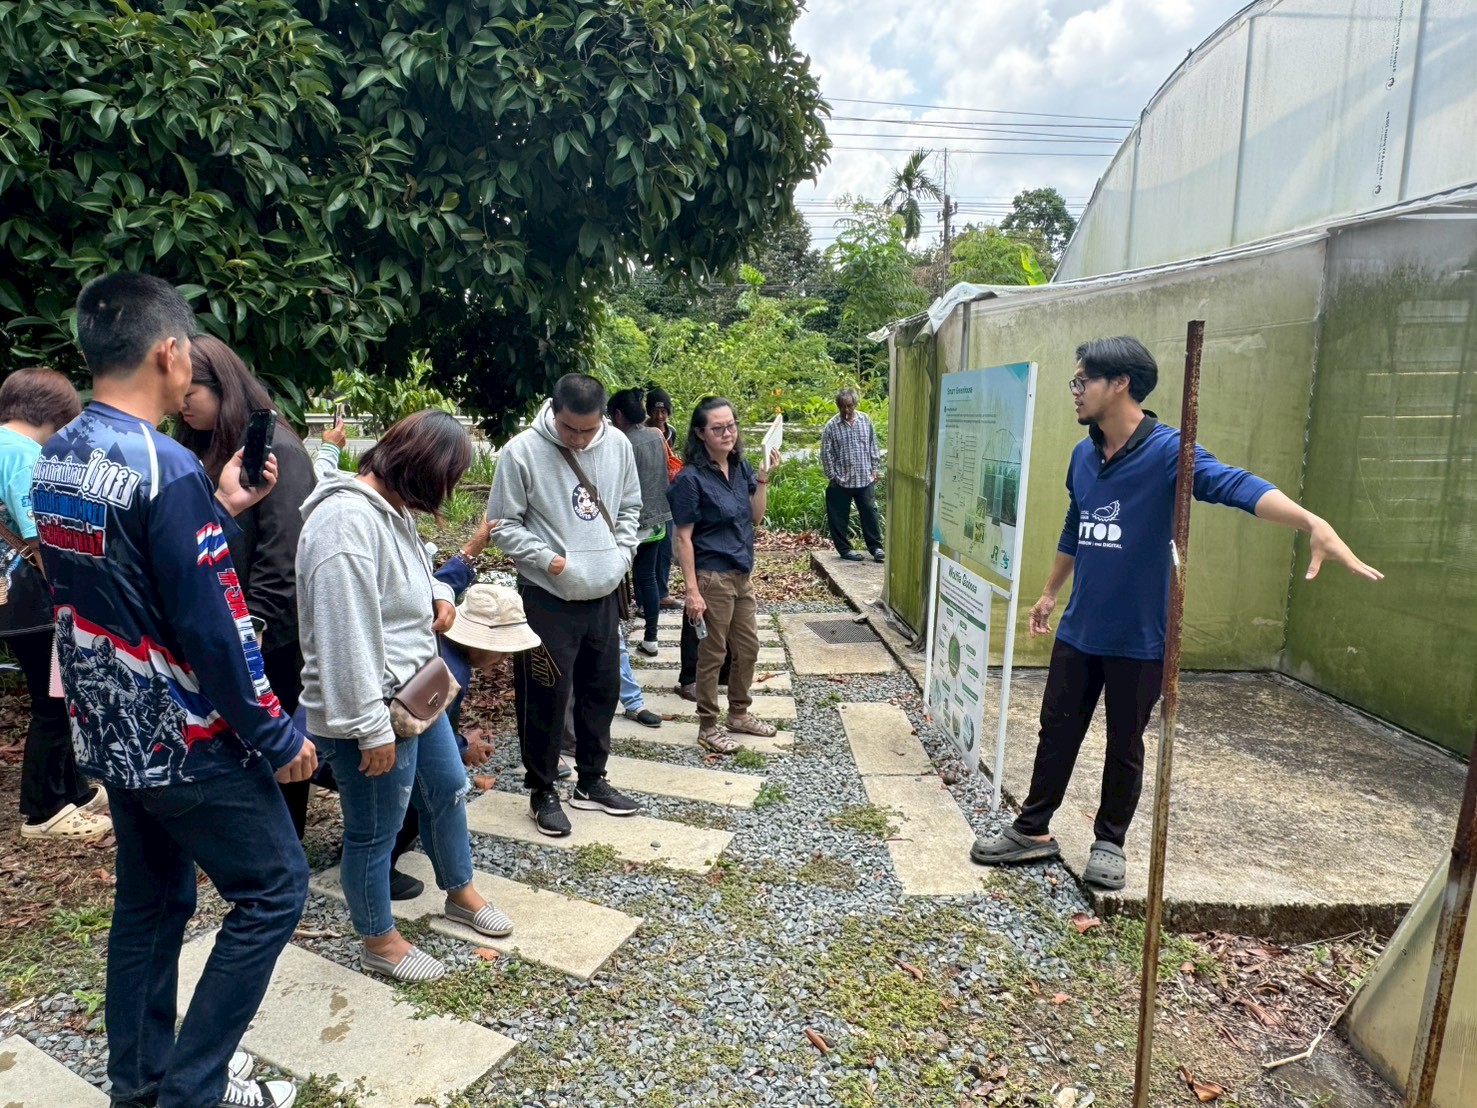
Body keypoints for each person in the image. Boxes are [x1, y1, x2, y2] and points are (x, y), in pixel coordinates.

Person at [969, 337, 1382, 890]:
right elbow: (1077, 524)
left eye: (1082, 381)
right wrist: (1049, 592)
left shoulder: (1170, 452)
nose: (1075, 392)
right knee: (1056, 731)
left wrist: (1311, 522)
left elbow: (1235, 484)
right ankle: (1033, 830)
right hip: (1081, 628)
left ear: (1120, 384)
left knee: (1125, 740)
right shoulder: (1082, 454)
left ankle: (1109, 842)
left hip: (1141, 637)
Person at [41, 273, 312, 1108]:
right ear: (168, 350)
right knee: (275, 891)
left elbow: (136, 581)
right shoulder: (162, 466)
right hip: (185, 740)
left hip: (110, 729)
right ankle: (192, 1091)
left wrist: (225, 507)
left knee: (152, 905)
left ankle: (141, 1085)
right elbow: (215, 626)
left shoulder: (60, 453)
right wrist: (275, 734)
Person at [298, 410, 514, 982]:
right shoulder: (344, 523)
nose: (441, 496)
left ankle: (459, 891)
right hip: (373, 710)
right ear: (420, 470)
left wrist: (440, 592)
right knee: (374, 831)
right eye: (444, 481)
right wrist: (369, 729)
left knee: (446, 789)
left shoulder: (390, 512)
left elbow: (413, 578)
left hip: (418, 697)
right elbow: (342, 636)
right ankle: (379, 939)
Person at [487, 373, 643, 836]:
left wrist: (623, 553)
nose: (579, 439)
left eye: (588, 430)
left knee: (602, 689)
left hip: (603, 593)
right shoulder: (521, 451)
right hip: (548, 597)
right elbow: (502, 525)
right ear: (553, 410)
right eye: (570, 429)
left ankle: (592, 780)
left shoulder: (618, 446)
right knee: (546, 696)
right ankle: (542, 788)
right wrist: (549, 561)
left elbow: (632, 506)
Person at [175, 336, 317, 838]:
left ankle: (283, 850)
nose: (181, 403)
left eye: (191, 391)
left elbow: (284, 551)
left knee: (277, 746)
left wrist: (254, 623)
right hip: (222, 626)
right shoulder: (203, 444)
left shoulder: (277, 449)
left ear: (224, 387)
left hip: (268, 634)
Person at [0, 368, 111, 841]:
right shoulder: (26, 456)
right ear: (57, 417)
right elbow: (40, 537)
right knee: (55, 701)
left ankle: (74, 791)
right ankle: (45, 810)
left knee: (59, 696)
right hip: (32, 600)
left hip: (9, 601)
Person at [669, 397, 782, 753]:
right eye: (717, 428)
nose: (727, 433)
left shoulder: (740, 467)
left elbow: (755, 517)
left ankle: (739, 714)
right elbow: (682, 537)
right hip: (711, 577)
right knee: (713, 654)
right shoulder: (691, 479)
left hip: (741, 573)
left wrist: (762, 479)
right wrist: (692, 590)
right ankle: (707, 725)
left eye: (731, 425)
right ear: (701, 433)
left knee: (747, 648)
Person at [608, 388, 672, 656]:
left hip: (633, 523)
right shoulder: (656, 436)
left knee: (616, 578)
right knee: (648, 578)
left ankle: (613, 636)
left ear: (619, 415)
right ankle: (651, 638)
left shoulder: (623, 444)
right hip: (659, 519)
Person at [820, 386, 884, 563]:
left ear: (855, 404)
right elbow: (826, 453)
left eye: (849, 406)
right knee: (838, 517)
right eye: (842, 406)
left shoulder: (865, 420)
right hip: (842, 480)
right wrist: (832, 476)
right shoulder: (831, 426)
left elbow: (873, 445)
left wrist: (875, 468)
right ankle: (845, 550)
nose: (846, 410)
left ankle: (876, 548)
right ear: (838, 406)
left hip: (864, 477)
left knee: (870, 513)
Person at [645, 386, 682, 610]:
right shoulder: (643, 431)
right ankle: (646, 596)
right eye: (656, 412)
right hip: (648, 495)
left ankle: (662, 591)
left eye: (664, 412)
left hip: (667, 493)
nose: (660, 416)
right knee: (649, 547)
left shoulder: (671, 432)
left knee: (667, 544)